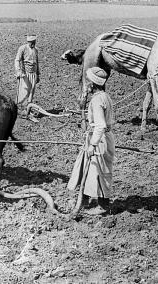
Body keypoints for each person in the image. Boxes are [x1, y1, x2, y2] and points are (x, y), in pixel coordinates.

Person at [67, 66, 115, 215]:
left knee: (100, 171)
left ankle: (103, 206)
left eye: (87, 81)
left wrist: (92, 145)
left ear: (93, 84)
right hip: (99, 137)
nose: (85, 84)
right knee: (90, 169)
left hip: (99, 140)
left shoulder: (96, 100)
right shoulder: (104, 96)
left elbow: (100, 125)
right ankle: (84, 200)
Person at [14, 34, 40, 120]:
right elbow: (17, 60)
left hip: (33, 74)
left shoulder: (36, 50)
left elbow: (37, 62)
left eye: (34, 42)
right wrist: (18, 71)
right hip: (25, 74)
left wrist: (38, 74)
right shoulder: (22, 48)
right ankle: (20, 110)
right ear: (28, 42)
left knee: (31, 92)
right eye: (31, 42)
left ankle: (28, 109)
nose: (33, 44)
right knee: (24, 91)